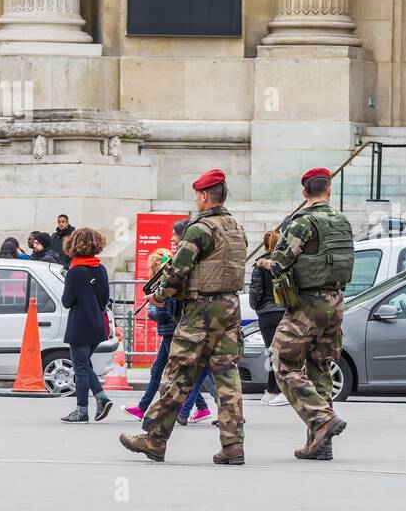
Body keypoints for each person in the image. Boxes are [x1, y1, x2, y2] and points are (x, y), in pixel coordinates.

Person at [119, 170, 248, 465]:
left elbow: (178, 271)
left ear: (204, 196)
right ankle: (233, 445)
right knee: (228, 378)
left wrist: (160, 296)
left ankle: (154, 437)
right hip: (230, 307)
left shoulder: (199, 228)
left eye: (197, 195)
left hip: (201, 310)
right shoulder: (236, 227)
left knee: (179, 373)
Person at [257, 167, 355, 461]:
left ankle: (322, 418)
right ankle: (321, 445)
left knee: (281, 360)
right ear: (329, 190)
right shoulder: (342, 221)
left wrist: (263, 264)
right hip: (336, 301)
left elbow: (279, 263)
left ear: (304, 193)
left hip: (308, 303)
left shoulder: (303, 222)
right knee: (320, 367)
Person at [123, 224, 213, 426]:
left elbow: (167, 310)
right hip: (175, 329)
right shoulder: (178, 266)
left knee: (182, 374)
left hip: (174, 330)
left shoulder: (175, 271)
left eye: (174, 235)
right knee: (167, 371)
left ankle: (169, 412)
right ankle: (151, 408)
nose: (172, 239)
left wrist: (153, 309)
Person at [59, 227, 113, 423]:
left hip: (79, 325)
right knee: (85, 365)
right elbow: (105, 298)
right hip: (97, 325)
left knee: (80, 368)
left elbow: (66, 301)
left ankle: (82, 410)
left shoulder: (74, 271)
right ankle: (102, 398)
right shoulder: (101, 269)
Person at [249, 229, 289, 405]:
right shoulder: (283, 263)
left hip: (266, 314)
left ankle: (276, 390)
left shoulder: (259, 265)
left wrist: (256, 306)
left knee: (272, 353)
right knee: (280, 353)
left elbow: (255, 292)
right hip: (283, 311)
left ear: (265, 245)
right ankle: (272, 390)